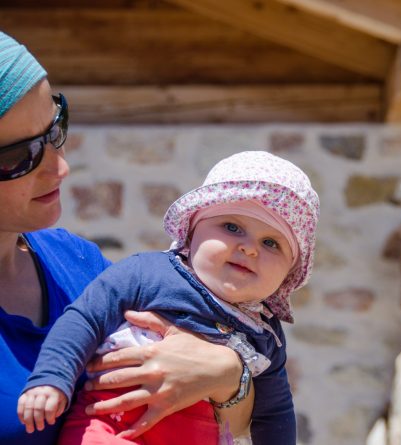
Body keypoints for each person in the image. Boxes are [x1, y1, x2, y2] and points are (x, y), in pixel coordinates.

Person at [0, 31, 251, 445]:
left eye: (55, 127)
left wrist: (227, 373)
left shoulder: (79, 263)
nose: (59, 168)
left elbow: (238, 421)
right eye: (19, 157)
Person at [19, 150, 320, 445]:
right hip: (112, 425)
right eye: (232, 227)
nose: (249, 248)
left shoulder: (264, 332)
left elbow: (275, 414)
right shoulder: (147, 273)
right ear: (192, 230)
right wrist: (52, 378)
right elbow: (85, 318)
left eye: (271, 243)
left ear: (287, 272)